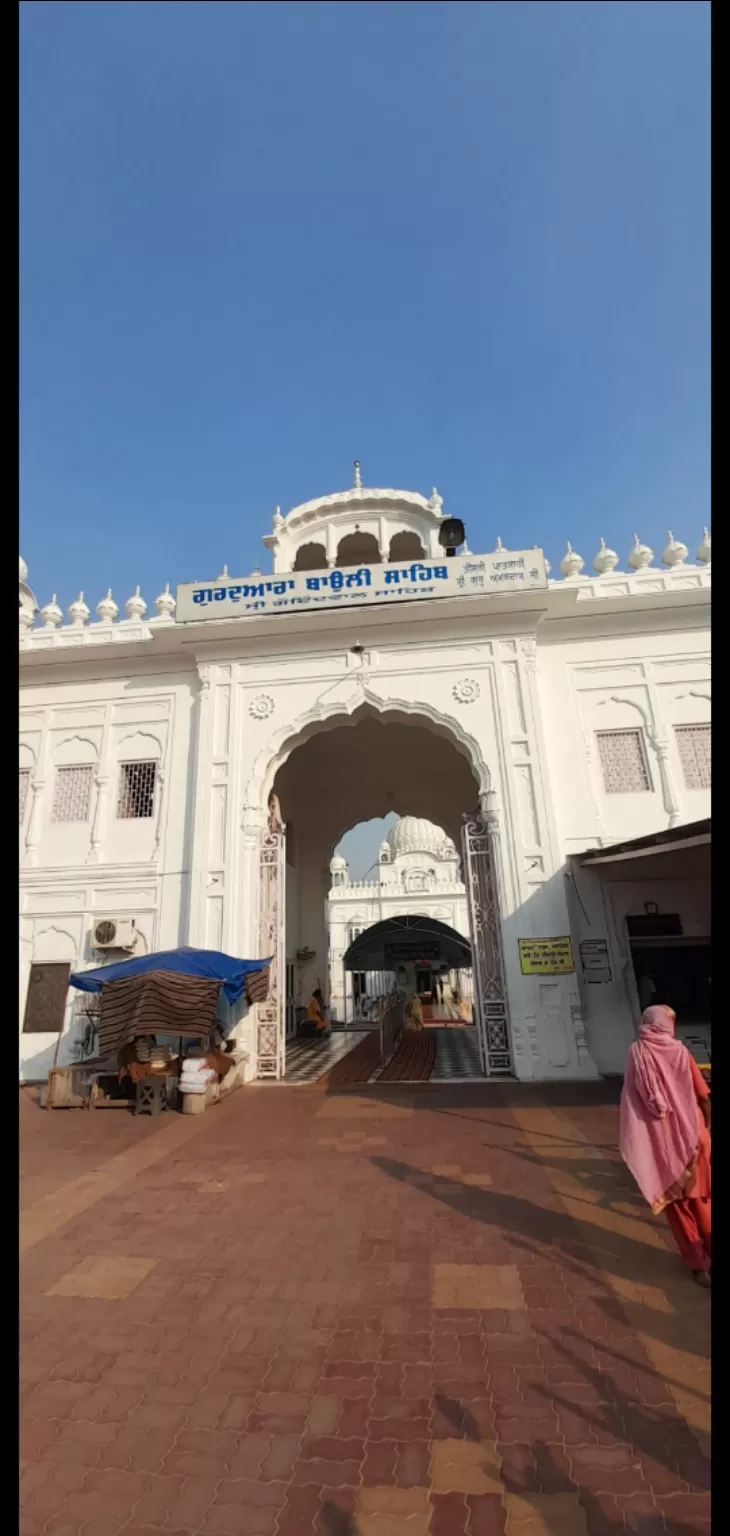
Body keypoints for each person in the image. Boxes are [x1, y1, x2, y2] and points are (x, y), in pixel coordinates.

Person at [619, 1005, 711, 1287]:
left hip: (663, 1143)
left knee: (678, 1206)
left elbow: (634, 1100)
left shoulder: (637, 1053)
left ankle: (698, 1266)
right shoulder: (681, 1052)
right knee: (702, 1202)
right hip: (694, 1138)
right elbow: (703, 1097)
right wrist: (704, 1127)